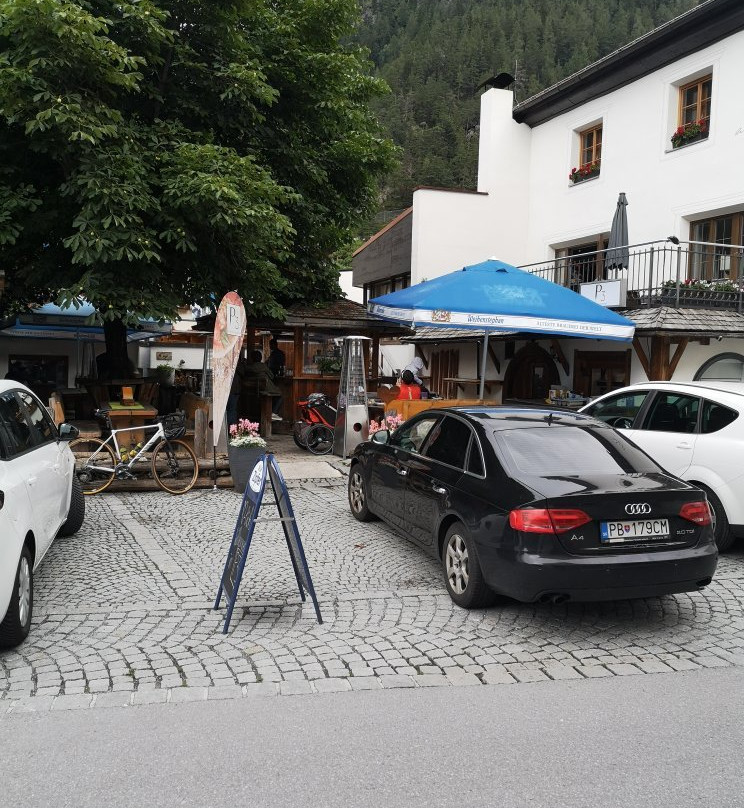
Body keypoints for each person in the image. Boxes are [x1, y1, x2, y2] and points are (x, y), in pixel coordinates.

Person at [245, 349, 283, 420]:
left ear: (252, 358)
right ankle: (274, 412)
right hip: (266, 388)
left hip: (254, 390)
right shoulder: (263, 366)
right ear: (260, 358)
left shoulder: (249, 367)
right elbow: (272, 376)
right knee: (280, 396)